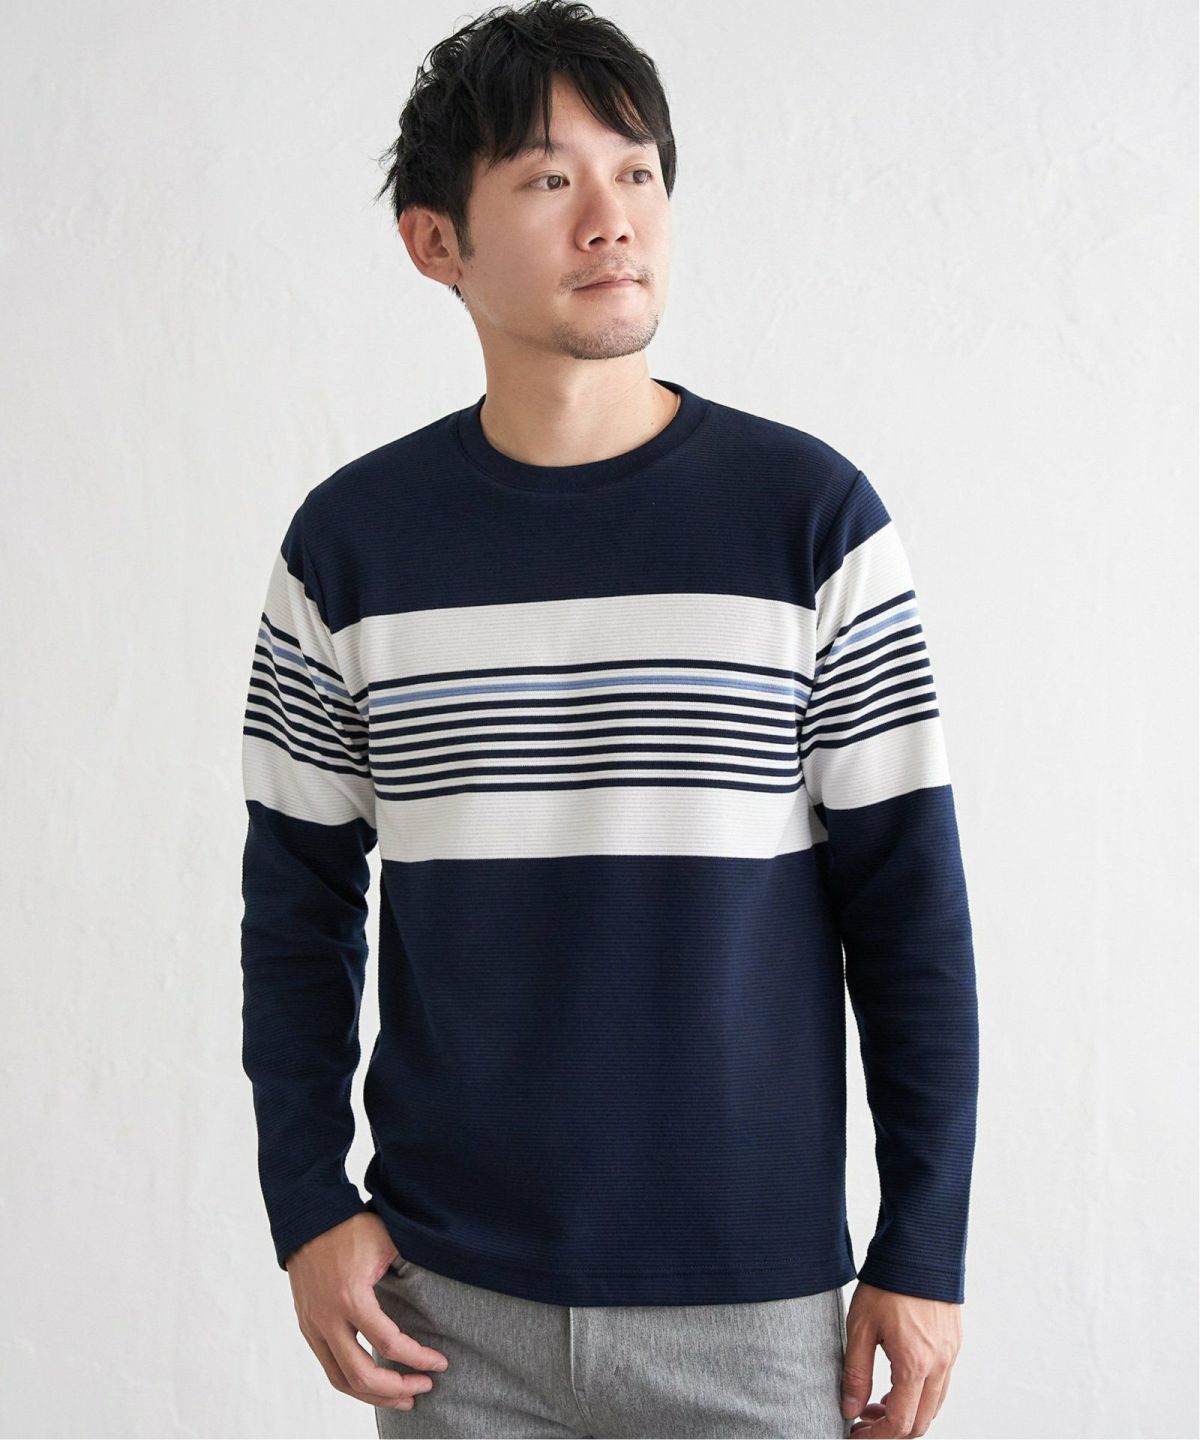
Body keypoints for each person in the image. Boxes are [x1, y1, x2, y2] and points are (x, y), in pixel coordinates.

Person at [239, 3, 980, 1436]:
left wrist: (924, 1244)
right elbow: (296, 907)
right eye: (546, 178)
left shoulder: (811, 523)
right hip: (448, 1313)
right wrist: (306, 1203)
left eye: (636, 171)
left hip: (755, 1305)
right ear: (435, 241)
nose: (611, 218)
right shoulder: (350, 549)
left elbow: (911, 913)